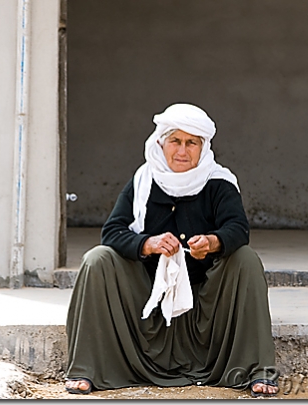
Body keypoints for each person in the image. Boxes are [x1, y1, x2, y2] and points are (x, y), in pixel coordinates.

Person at [64, 103, 279, 397]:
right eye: (175, 141)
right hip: (148, 303)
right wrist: (147, 244)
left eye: (192, 143)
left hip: (206, 305)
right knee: (96, 259)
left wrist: (212, 243)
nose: (182, 151)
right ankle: (86, 370)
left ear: (203, 147)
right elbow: (112, 232)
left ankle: (257, 370)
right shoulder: (143, 181)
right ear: (161, 143)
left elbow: (237, 230)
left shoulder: (218, 182)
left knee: (246, 259)